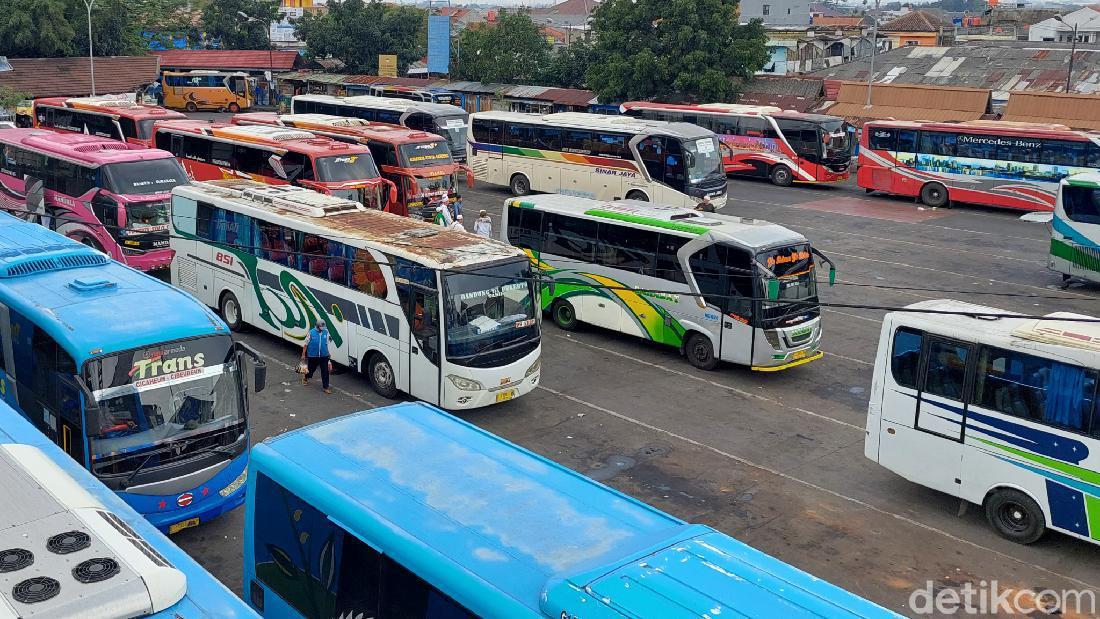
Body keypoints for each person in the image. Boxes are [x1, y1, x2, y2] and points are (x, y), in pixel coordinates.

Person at [301, 320, 333, 394]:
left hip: (324, 355)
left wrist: (328, 352)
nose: (323, 328)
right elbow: (305, 344)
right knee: (311, 370)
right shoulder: (311, 333)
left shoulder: (326, 332)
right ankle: (306, 377)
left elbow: (326, 343)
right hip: (313, 355)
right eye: (321, 327)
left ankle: (326, 387)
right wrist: (303, 354)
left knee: (325, 371)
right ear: (317, 326)